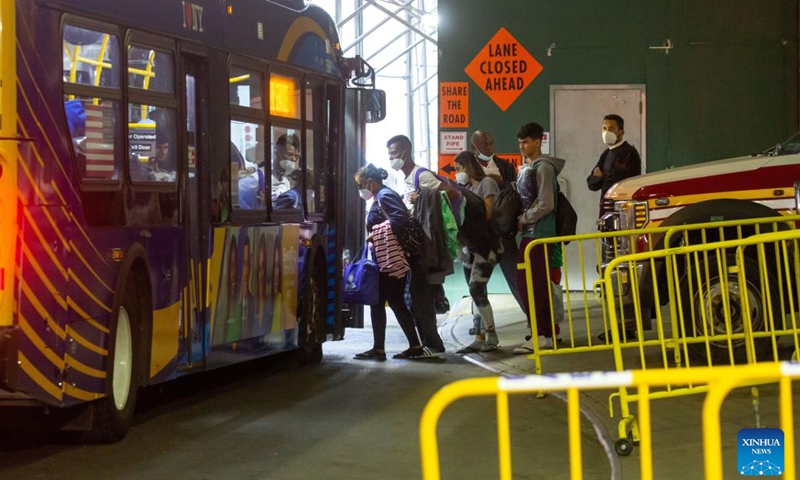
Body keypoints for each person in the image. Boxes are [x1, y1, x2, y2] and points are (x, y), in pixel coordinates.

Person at [352, 164, 424, 360]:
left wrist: (375, 233)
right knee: (395, 301)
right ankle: (413, 345)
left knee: (379, 301)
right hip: (387, 257)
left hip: (391, 258)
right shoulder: (382, 195)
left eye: (361, 185)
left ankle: (380, 348)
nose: (361, 190)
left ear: (370, 181)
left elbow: (399, 217)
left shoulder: (384, 195)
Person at [387, 134, 450, 358]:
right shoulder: (403, 179)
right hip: (414, 246)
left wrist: (422, 195)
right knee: (416, 295)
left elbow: (450, 192)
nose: (391, 158)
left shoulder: (421, 175)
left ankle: (432, 345)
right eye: (389, 154)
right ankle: (429, 343)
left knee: (420, 296)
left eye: (394, 153)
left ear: (405, 152)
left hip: (424, 246)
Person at [513, 122, 566, 353]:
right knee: (530, 286)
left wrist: (524, 218)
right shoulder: (530, 168)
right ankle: (542, 333)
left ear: (538, 141)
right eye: (520, 142)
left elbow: (546, 203)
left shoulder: (543, 168)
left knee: (535, 286)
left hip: (538, 234)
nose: (522, 146)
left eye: (526, 141)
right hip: (531, 234)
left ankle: (542, 334)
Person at [470, 129, 527, 336]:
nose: (489, 147)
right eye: (484, 144)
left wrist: (498, 181)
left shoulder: (505, 166)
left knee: (516, 278)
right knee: (476, 284)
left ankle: (534, 322)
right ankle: (478, 327)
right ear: (474, 146)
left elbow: (517, 192)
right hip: (479, 236)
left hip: (503, 233)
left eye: (491, 143)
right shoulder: (469, 168)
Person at [452, 151, 504, 353]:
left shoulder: (486, 183)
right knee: (476, 292)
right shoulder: (463, 189)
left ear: (468, 166)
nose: (457, 174)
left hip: (487, 244)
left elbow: (488, 212)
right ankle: (479, 337)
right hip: (470, 246)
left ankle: (491, 336)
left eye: (459, 169)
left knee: (476, 288)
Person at [586, 114, 642, 218]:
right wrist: (600, 177)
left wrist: (602, 177)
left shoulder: (629, 153)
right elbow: (591, 184)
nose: (607, 132)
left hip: (624, 210)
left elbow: (619, 181)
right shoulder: (607, 153)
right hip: (606, 209)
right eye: (604, 128)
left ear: (621, 132)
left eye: (611, 128)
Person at [271, 133, 300, 202]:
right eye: (289, 154)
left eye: (296, 156)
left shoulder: (289, 180)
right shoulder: (263, 175)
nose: (293, 159)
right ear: (277, 152)